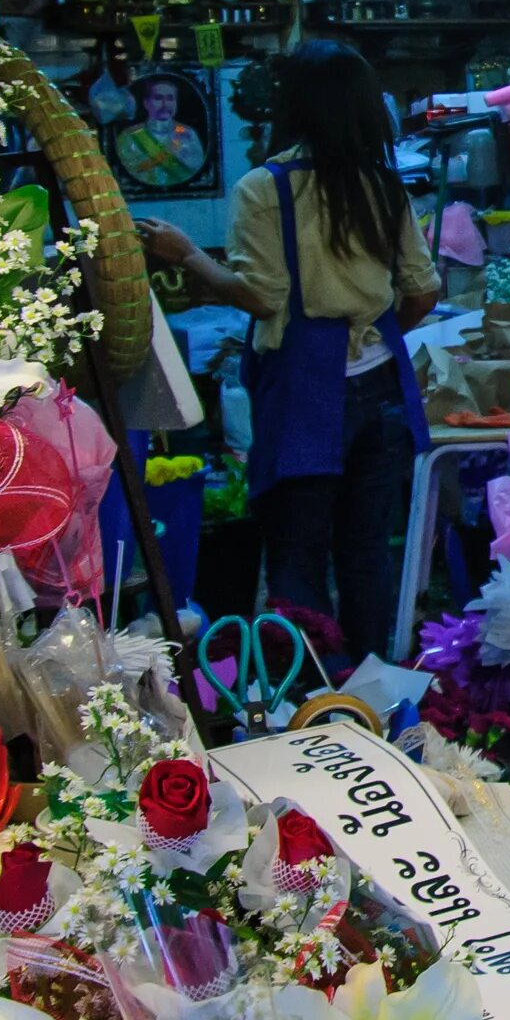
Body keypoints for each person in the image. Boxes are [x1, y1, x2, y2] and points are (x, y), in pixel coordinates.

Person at [136, 41, 438, 659]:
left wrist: (185, 254)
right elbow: (422, 291)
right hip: (383, 383)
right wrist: (373, 334)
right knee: (365, 549)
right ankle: (370, 689)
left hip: (306, 388)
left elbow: (258, 296)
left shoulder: (263, 188)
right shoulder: (382, 183)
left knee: (298, 551)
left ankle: (309, 695)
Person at [116, 76, 208, 188]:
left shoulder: (187, 135)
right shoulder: (129, 137)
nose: (165, 104)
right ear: (146, 103)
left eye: (170, 98)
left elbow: (196, 168)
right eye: (158, 98)